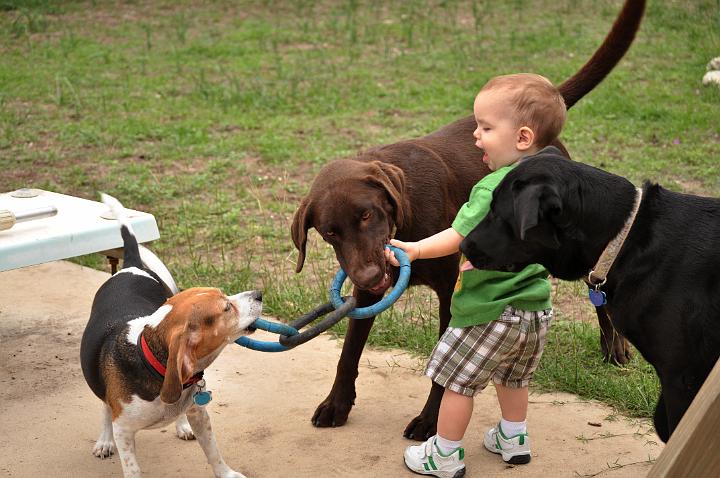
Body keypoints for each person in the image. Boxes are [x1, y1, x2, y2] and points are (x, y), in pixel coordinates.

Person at [386, 73, 566, 477]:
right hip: (536, 309)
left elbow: (456, 236)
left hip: (489, 311)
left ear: (521, 138)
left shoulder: (491, 189)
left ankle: (445, 454)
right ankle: (514, 437)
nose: (475, 135)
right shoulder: (550, 182)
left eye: (485, 128)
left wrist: (412, 248)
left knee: (456, 384)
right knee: (513, 377)